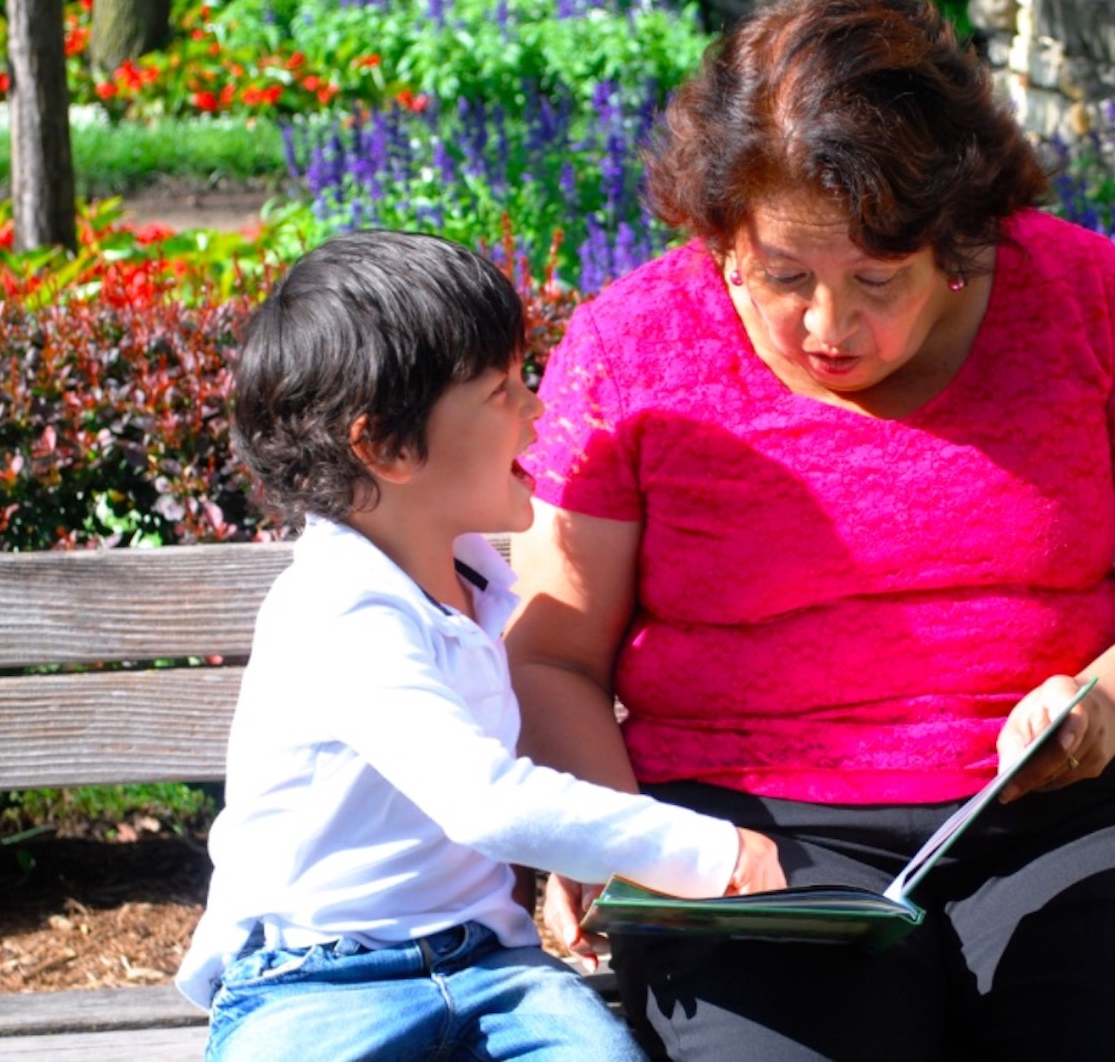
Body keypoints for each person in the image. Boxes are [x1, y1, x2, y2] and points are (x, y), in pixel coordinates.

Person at [504, 0, 1115, 1060]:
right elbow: (550, 655)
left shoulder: (1074, 292)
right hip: (741, 844)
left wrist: (1111, 702)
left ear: (958, 238)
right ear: (721, 235)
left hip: (1059, 814)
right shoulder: (635, 344)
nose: (829, 325)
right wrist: (618, 840)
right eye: (783, 277)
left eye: (877, 277)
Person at [174, 230, 785, 1061]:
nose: (535, 408)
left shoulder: (478, 590)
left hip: (495, 970)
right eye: (501, 390)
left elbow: (499, 801)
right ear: (386, 446)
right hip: (317, 983)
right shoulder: (342, 606)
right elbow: (485, 799)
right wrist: (707, 850)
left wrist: (573, 862)